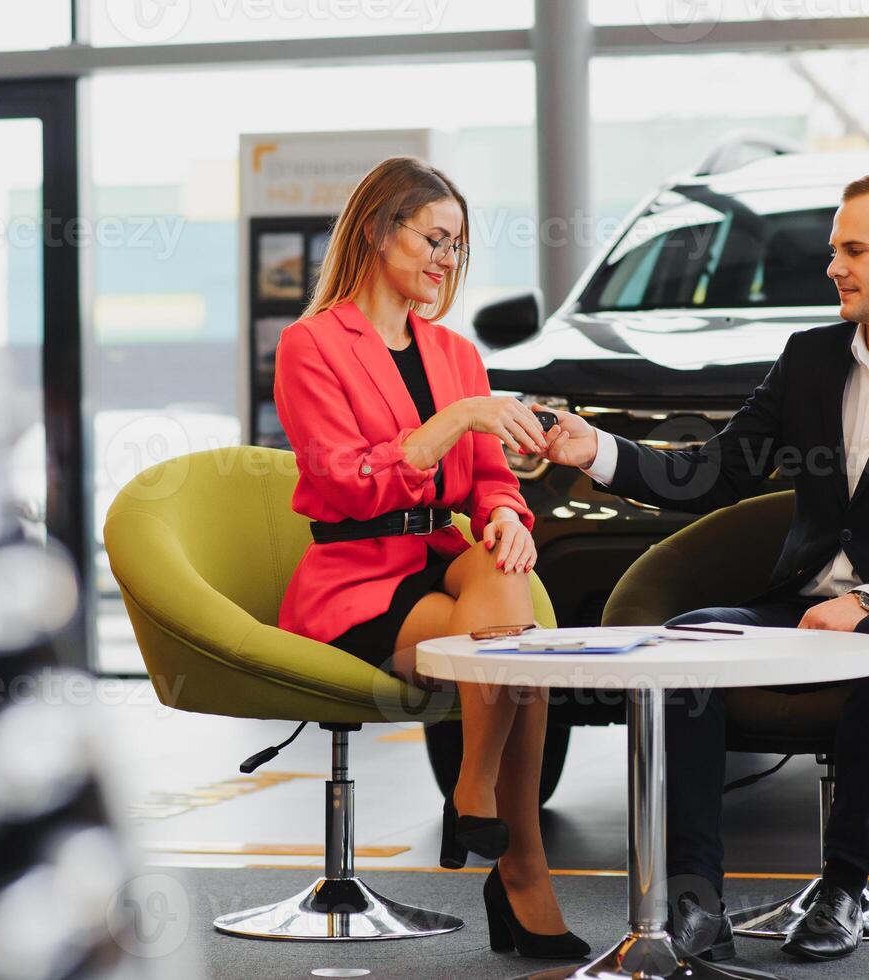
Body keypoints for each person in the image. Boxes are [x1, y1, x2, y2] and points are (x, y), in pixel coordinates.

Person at [540, 170, 869, 963]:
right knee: (688, 643)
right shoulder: (807, 359)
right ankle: (695, 897)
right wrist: (592, 449)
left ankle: (845, 887)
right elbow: (714, 472)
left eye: (852, 249)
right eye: (834, 248)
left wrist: (868, 601)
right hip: (798, 600)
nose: (832, 265)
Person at [273, 156, 589, 961]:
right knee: (521, 663)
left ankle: (474, 790)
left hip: (442, 556)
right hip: (357, 576)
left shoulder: (452, 351)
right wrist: (455, 422)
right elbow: (344, 483)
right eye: (434, 239)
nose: (447, 259)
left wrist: (511, 518)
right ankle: (520, 872)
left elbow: (490, 482)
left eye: (458, 245)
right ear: (379, 231)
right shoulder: (311, 344)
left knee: (504, 572)